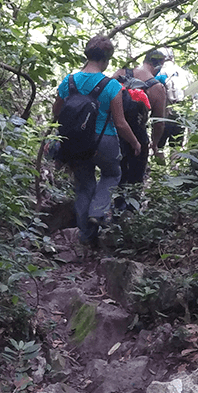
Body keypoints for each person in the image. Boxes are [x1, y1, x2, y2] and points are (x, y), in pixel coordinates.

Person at [52, 34, 142, 247]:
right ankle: (98, 211)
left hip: (74, 142)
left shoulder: (69, 81)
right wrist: (135, 143)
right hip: (104, 141)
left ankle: (86, 237)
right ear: (107, 59)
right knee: (113, 174)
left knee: (84, 186)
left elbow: (57, 111)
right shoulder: (111, 86)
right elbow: (120, 123)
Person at [111, 49, 167, 198]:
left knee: (114, 175)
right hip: (138, 135)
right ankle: (129, 212)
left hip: (113, 131)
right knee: (135, 178)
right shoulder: (157, 87)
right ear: (159, 64)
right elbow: (159, 122)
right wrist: (154, 144)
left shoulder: (120, 74)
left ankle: (112, 208)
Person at [155, 49, 191, 150]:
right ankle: (175, 165)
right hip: (180, 115)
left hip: (164, 115)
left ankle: (159, 164)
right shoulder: (184, 73)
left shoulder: (159, 72)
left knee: (158, 146)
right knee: (176, 146)